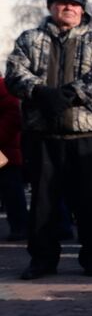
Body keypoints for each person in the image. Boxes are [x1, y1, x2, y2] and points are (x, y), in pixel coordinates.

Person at [5, 0, 92, 278]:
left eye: (74, 3)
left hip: (86, 135)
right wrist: (41, 92)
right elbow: (15, 74)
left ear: (82, 9)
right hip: (42, 135)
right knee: (43, 202)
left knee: (90, 203)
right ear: (50, 6)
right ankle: (42, 260)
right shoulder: (30, 39)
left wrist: (69, 94)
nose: (67, 7)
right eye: (61, 2)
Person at [0, 78, 27, 241]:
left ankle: (20, 227)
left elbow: (12, 116)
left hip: (5, 150)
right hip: (6, 148)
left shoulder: (3, 88)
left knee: (11, 191)